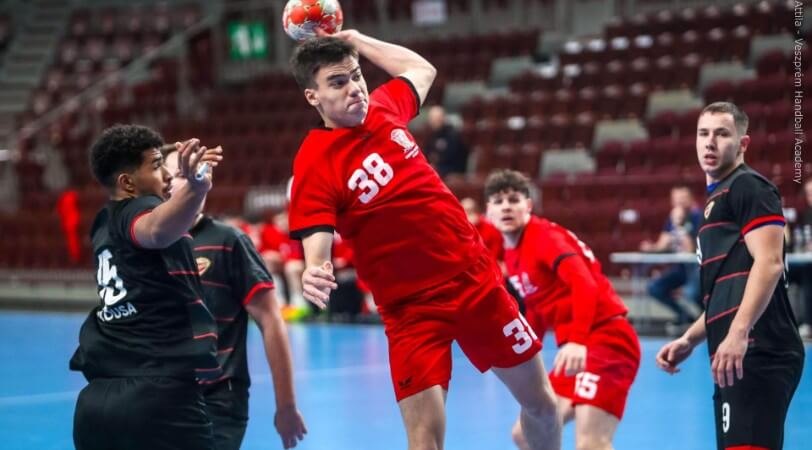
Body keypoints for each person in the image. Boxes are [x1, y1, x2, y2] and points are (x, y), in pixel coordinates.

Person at [287, 31, 561, 450]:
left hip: (475, 283)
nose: (354, 88)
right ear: (313, 96)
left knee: (542, 405)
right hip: (410, 311)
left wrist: (356, 39)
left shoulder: (384, 106)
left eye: (356, 75)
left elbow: (422, 69)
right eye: (338, 82)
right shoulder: (313, 163)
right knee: (424, 439)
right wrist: (314, 270)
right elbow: (317, 246)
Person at [656, 102, 805, 450]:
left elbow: (769, 263)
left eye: (722, 134)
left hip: (759, 350)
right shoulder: (716, 203)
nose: (710, 142)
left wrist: (739, 333)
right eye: (703, 134)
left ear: (743, 143)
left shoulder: (748, 187)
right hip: (732, 355)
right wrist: (689, 340)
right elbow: (728, 294)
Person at [70, 126, 223, 449]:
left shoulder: (103, 222)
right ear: (127, 183)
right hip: (158, 401)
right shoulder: (139, 209)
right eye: (156, 166)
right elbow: (155, 230)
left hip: (96, 403)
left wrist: (191, 185)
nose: (166, 175)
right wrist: (197, 187)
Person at [163, 147, 307, 450]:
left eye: (194, 174)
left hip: (217, 403)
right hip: (161, 401)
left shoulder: (229, 241)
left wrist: (286, 405)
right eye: (179, 175)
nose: (192, 181)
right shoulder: (149, 245)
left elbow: (271, 321)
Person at [485, 169, 641, 450]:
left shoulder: (544, 236)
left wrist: (577, 340)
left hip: (606, 340)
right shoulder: (511, 251)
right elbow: (536, 308)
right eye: (498, 201)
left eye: (513, 200)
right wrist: (522, 355)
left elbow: (584, 283)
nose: (506, 207)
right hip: (576, 352)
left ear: (528, 205)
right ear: (488, 212)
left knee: (591, 443)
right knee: (527, 433)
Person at [640, 185, 702, 327]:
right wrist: (651, 248)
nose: (680, 202)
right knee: (654, 288)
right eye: (676, 199)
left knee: (692, 293)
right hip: (680, 268)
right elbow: (662, 244)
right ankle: (685, 316)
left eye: (683, 198)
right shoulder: (672, 218)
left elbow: (690, 249)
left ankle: (706, 318)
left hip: (697, 267)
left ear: (691, 199)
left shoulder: (699, 216)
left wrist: (680, 225)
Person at [423, 104, 469, 178]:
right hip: (438, 167)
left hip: (452, 168)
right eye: (432, 119)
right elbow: (427, 152)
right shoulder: (432, 135)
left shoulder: (453, 134)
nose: (434, 122)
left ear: (443, 118)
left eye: (437, 119)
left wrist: (437, 158)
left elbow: (453, 155)